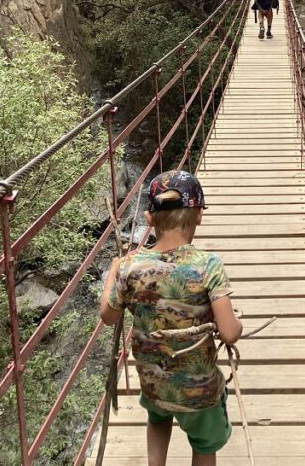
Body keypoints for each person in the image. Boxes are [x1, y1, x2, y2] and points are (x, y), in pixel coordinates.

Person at [100, 171, 242, 466]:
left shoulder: (130, 267)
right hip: (198, 390)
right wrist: (234, 323)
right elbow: (229, 334)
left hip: (154, 383)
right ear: (199, 214)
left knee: (158, 417)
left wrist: (114, 272)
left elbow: (109, 316)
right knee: (204, 444)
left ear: (149, 219)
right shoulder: (209, 266)